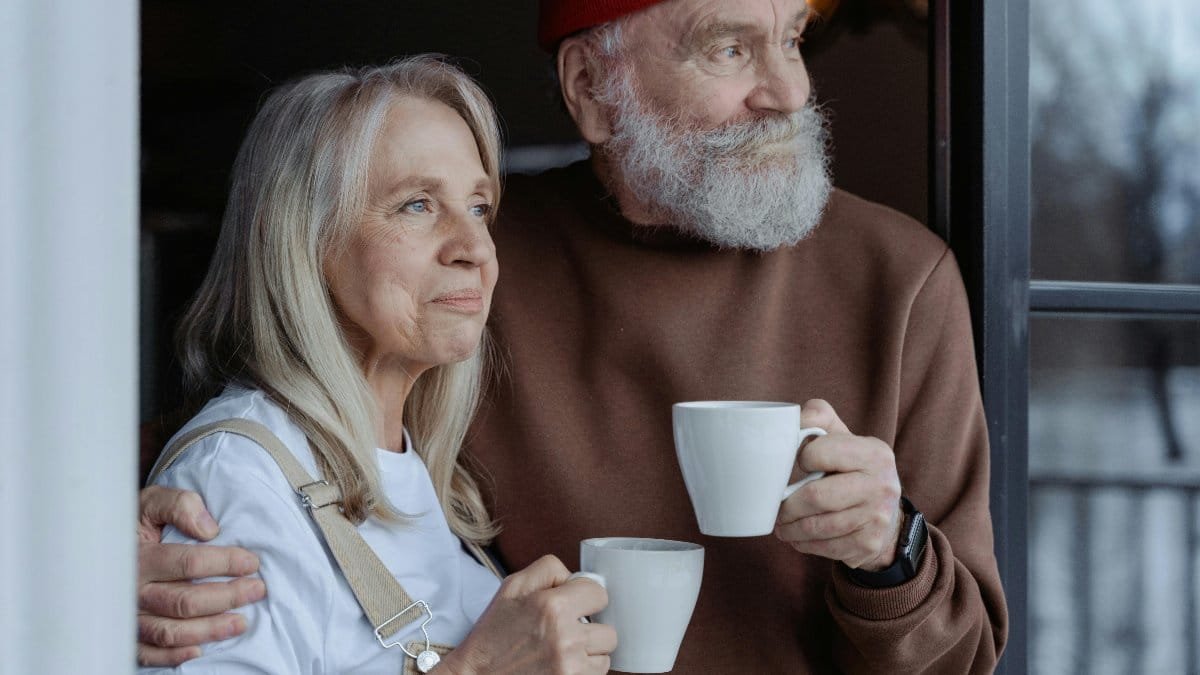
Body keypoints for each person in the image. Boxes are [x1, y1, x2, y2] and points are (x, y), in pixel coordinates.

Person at [138, 0, 1009, 671]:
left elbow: (966, 656)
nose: (788, 92)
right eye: (730, 46)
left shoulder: (900, 279)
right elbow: (256, 436)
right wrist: (107, 547)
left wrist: (890, 554)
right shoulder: (467, 275)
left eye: (790, 40)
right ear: (592, 88)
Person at [137, 55, 617, 673]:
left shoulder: (417, 472)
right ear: (304, 238)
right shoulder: (236, 481)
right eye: (417, 205)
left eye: (477, 207)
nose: (475, 247)